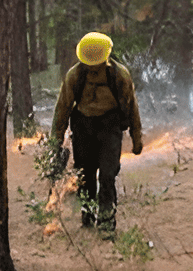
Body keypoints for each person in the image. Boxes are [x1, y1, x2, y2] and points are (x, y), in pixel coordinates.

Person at [51, 32, 144, 231]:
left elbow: (131, 106)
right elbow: (63, 108)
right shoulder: (75, 75)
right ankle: (87, 215)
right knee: (86, 175)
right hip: (83, 127)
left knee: (108, 175)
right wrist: (56, 140)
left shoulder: (119, 75)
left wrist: (137, 138)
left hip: (109, 127)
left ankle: (106, 220)